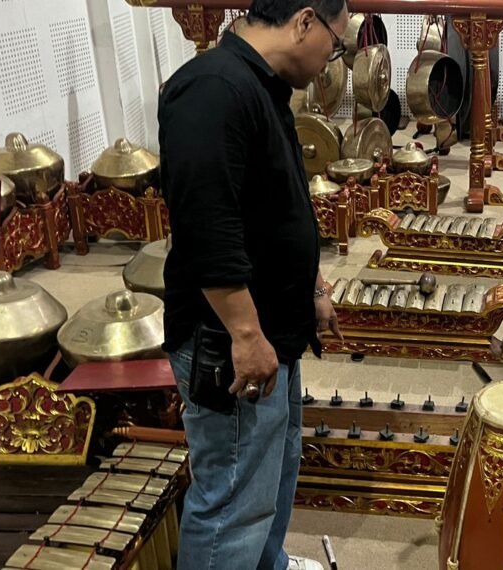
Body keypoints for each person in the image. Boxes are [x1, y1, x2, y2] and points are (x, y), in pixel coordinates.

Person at [157, 1, 348, 569]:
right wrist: (245, 333)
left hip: (271, 334)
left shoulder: (260, 86)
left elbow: (278, 205)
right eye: (335, 46)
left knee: (272, 475)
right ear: (305, 21)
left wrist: (312, 284)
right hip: (230, 345)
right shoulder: (212, 88)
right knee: (234, 496)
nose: (330, 61)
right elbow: (205, 226)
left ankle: (268, 565)